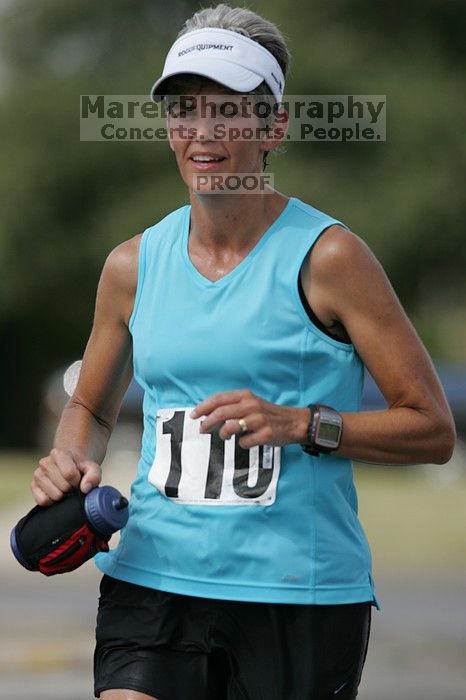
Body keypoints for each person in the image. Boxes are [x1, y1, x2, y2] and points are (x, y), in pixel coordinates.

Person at [31, 4, 456, 700]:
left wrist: (302, 424)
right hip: (152, 580)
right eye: (185, 111)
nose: (202, 133)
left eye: (227, 112)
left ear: (273, 128)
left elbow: (432, 429)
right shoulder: (132, 265)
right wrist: (72, 458)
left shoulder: (331, 257)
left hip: (297, 594)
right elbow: (90, 404)